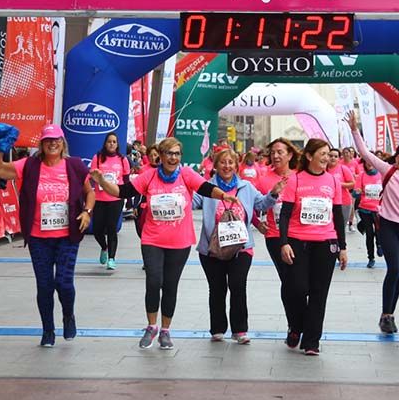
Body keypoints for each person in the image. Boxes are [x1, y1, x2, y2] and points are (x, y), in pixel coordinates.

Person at [0, 124, 99, 347]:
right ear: (41, 144)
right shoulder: (29, 165)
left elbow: (90, 193)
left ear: (63, 143)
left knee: (64, 282)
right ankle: (48, 330)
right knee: (45, 285)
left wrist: (87, 212)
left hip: (67, 235)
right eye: (48, 140)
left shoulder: (75, 165)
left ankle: (68, 315)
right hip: (38, 236)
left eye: (56, 140)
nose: (52, 143)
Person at [125, 137, 228, 350]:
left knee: (170, 285)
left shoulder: (186, 174)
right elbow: (123, 191)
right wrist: (101, 181)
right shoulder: (149, 176)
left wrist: (223, 196)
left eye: (177, 154)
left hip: (179, 241)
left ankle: (165, 330)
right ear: (161, 156)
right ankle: (151, 326)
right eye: (169, 153)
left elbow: (206, 188)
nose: (173, 158)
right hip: (152, 238)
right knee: (153, 281)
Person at [198, 148, 281, 343]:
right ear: (215, 166)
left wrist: (273, 194)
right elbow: (191, 201)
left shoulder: (246, 187)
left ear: (237, 166)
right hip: (212, 249)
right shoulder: (207, 187)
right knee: (217, 288)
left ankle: (240, 330)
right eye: (222, 162)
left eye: (231, 162)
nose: (227, 166)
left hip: (241, 247)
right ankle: (217, 329)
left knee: (237, 285)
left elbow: (261, 205)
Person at [348, 111, 399, 334]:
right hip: (388, 226)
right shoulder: (388, 171)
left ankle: (388, 315)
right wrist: (354, 129)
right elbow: (365, 153)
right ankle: (386, 313)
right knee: (394, 269)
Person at [278, 138, 348, 355]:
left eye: (328, 154)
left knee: (319, 294)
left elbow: (337, 215)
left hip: (326, 242)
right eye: (322, 154)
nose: (327, 158)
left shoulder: (333, 181)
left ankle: (311, 341)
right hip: (298, 241)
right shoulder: (295, 179)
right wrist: (284, 243)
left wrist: (343, 247)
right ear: (309, 156)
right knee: (297, 289)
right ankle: (296, 326)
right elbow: (285, 214)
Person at [252, 138, 301, 330]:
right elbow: (251, 203)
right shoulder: (264, 179)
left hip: (298, 235)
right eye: (273, 152)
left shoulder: (299, 176)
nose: (275, 155)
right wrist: (257, 223)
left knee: (299, 282)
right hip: (275, 236)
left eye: (280, 152)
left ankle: (299, 319)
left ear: (290, 155)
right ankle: (293, 325)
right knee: (287, 279)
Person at [91, 132, 131, 271]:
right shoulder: (97, 158)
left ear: (117, 144)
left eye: (114, 142)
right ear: (105, 143)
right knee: (97, 229)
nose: (112, 144)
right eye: (109, 141)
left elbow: (126, 181)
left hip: (116, 199)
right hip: (99, 198)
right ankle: (104, 247)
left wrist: (129, 200)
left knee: (111, 228)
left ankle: (112, 258)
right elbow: (92, 178)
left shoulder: (122, 159)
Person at [356, 157, 382, 268]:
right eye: (367, 162)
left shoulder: (381, 175)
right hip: (365, 209)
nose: (369, 164)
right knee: (369, 234)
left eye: (371, 162)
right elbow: (355, 192)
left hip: (378, 209)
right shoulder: (362, 176)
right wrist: (357, 192)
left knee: (379, 231)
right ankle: (371, 257)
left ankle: (379, 244)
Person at [327, 147, 356, 233]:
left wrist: (339, 184)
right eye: (330, 156)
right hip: (327, 203)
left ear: (339, 158)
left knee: (340, 228)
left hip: (343, 203)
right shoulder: (323, 169)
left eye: (335, 156)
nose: (333, 158)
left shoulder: (343, 169)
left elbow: (352, 184)